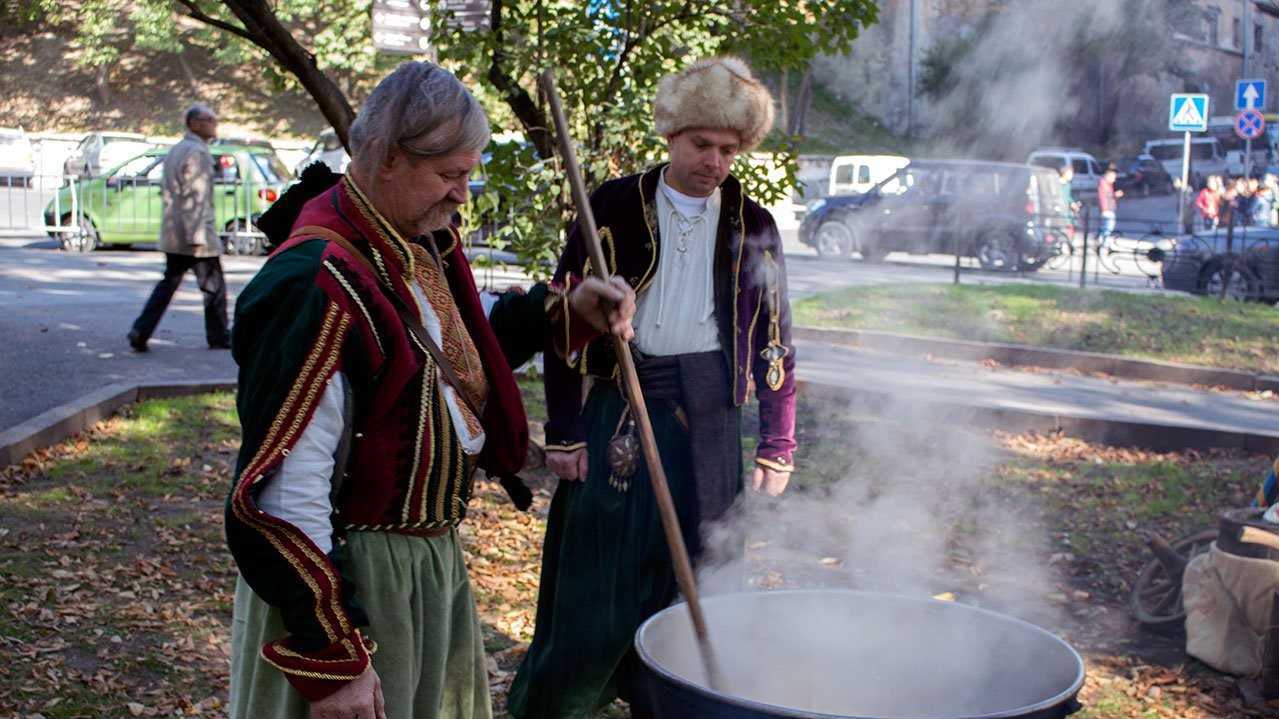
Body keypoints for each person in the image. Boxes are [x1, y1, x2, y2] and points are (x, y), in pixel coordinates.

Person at [225, 61, 636, 719]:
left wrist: (567, 312)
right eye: (450, 175)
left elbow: (452, 354)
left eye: (466, 173)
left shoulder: (411, 243)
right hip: (354, 582)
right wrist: (334, 658)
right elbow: (283, 492)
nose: (463, 195)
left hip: (423, 571)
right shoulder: (317, 286)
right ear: (386, 157)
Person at [507, 56, 798, 719]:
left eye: (728, 149)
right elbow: (562, 319)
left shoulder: (752, 225)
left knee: (701, 573)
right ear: (671, 134)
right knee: (598, 581)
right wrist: (564, 430)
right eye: (702, 144)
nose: (715, 161)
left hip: (712, 419)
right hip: (621, 410)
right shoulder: (611, 204)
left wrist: (777, 441)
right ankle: (561, 703)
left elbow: (776, 338)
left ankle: (675, 702)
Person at [127, 104, 230, 352]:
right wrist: (196, 235)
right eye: (209, 120)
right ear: (194, 123)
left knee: (169, 283)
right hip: (195, 235)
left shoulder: (177, 150)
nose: (214, 124)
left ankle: (141, 330)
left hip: (175, 232)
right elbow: (195, 197)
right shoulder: (197, 153)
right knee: (213, 285)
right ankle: (218, 335)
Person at [1096, 163, 1123, 250]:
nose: (1114, 180)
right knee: (1108, 227)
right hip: (1107, 210)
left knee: (1105, 226)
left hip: (1109, 209)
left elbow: (1109, 196)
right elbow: (1102, 197)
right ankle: (1103, 244)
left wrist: (1115, 195)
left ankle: (1098, 241)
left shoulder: (1107, 184)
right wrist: (1104, 209)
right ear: (1108, 175)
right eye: (1113, 177)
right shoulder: (1103, 184)